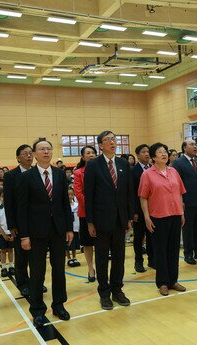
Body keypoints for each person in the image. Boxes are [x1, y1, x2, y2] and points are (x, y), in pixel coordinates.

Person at [18, 139, 73, 327]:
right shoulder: (26, 177)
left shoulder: (59, 174)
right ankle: (38, 310)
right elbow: (22, 209)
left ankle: (59, 305)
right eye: (42, 149)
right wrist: (24, 235)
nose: (46, 152)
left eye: (49, 149)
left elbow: (66, 204)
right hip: (35, 232)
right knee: (37, 272)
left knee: (59, 270)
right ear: (34, 154)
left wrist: (69, 228)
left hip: (58, 230)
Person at [84, 131, 133, 310]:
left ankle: (117, 290)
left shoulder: (122, 163)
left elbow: (128, 192)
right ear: (100, 145)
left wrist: (129, 217)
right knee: (102, 259)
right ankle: (104, 293)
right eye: (107, 140)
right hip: (100, 220)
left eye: (114, 139)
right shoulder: (93, 165)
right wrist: (90, 221)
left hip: (120, 220)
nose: (112, 142)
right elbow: (88, 195)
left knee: (119, 258)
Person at [139, 143, 187, 296]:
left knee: (173, 250)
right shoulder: (147, 174)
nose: (163, 154)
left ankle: (173, 280)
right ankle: (162, 282)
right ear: (153, 157)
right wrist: (146, 218)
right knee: (160, 251)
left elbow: (180, 193)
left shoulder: (174, 172)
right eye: (159, 152)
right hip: (158, 218)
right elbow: (143, 198)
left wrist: (181, 213)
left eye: (165, 151)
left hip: (175, 215)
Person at [3, 144, 39, 296]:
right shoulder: (11, 176)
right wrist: (11, 225)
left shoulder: (38, 172)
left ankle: (36, 283)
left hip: (38, 222)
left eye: (31, 153)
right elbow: (9, 202)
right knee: (22, 256)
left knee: (37, 256)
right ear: (18, 158)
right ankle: (23, 283)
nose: (29, 156)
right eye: (25, 154)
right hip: (19, 223)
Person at [173, 140, 197, 265]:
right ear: (184, 148)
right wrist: (181, 201)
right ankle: (188, 253)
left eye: (196, 145)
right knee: (188, 229)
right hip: (187, 201)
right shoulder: (178, 163)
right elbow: (176, 184)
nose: (195, 147)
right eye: (192, 145)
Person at [73, 146, 97, 282]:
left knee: (101, 243)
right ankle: (90, 269)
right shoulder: (78, 173)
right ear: (83, 157)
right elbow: (79, 193)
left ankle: (101, 267)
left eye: (93, 152)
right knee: (88, 243)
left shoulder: (101, 170)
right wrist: (91, 206)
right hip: (85, 213)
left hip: (101, 213)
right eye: (88, 153)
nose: (91, 155)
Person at [131, 144, 154, 273]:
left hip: (154, 209)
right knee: (139, 237)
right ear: (137, 155)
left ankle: (152, 260)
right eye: (143, 152)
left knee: (152, 236)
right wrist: (134, 211)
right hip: (139, 211)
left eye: (148, 151)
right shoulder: (133, 171)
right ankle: (138, 261)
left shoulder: (153, 168)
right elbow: (131, 193)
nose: (146, 154)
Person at [0, 191, 14, 277]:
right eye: (2, 197)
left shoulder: (12, 208)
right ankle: (3, 268)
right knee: (3, 251)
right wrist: (3, 234)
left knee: (11, 250)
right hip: (1, 233)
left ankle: (11, 266)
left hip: (11, 232)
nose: (4, 198)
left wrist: (13, 234)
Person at [66, 188, 81, 267]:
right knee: (67, 245)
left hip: (75, 227)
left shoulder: (76, 205)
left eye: (71, 194)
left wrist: (79, 227)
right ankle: (69, 258)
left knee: (74, 244)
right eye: (68, 195)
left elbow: (78, 216)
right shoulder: (64, 206)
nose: (70, 196)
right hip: (67, 229)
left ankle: (74, 257)